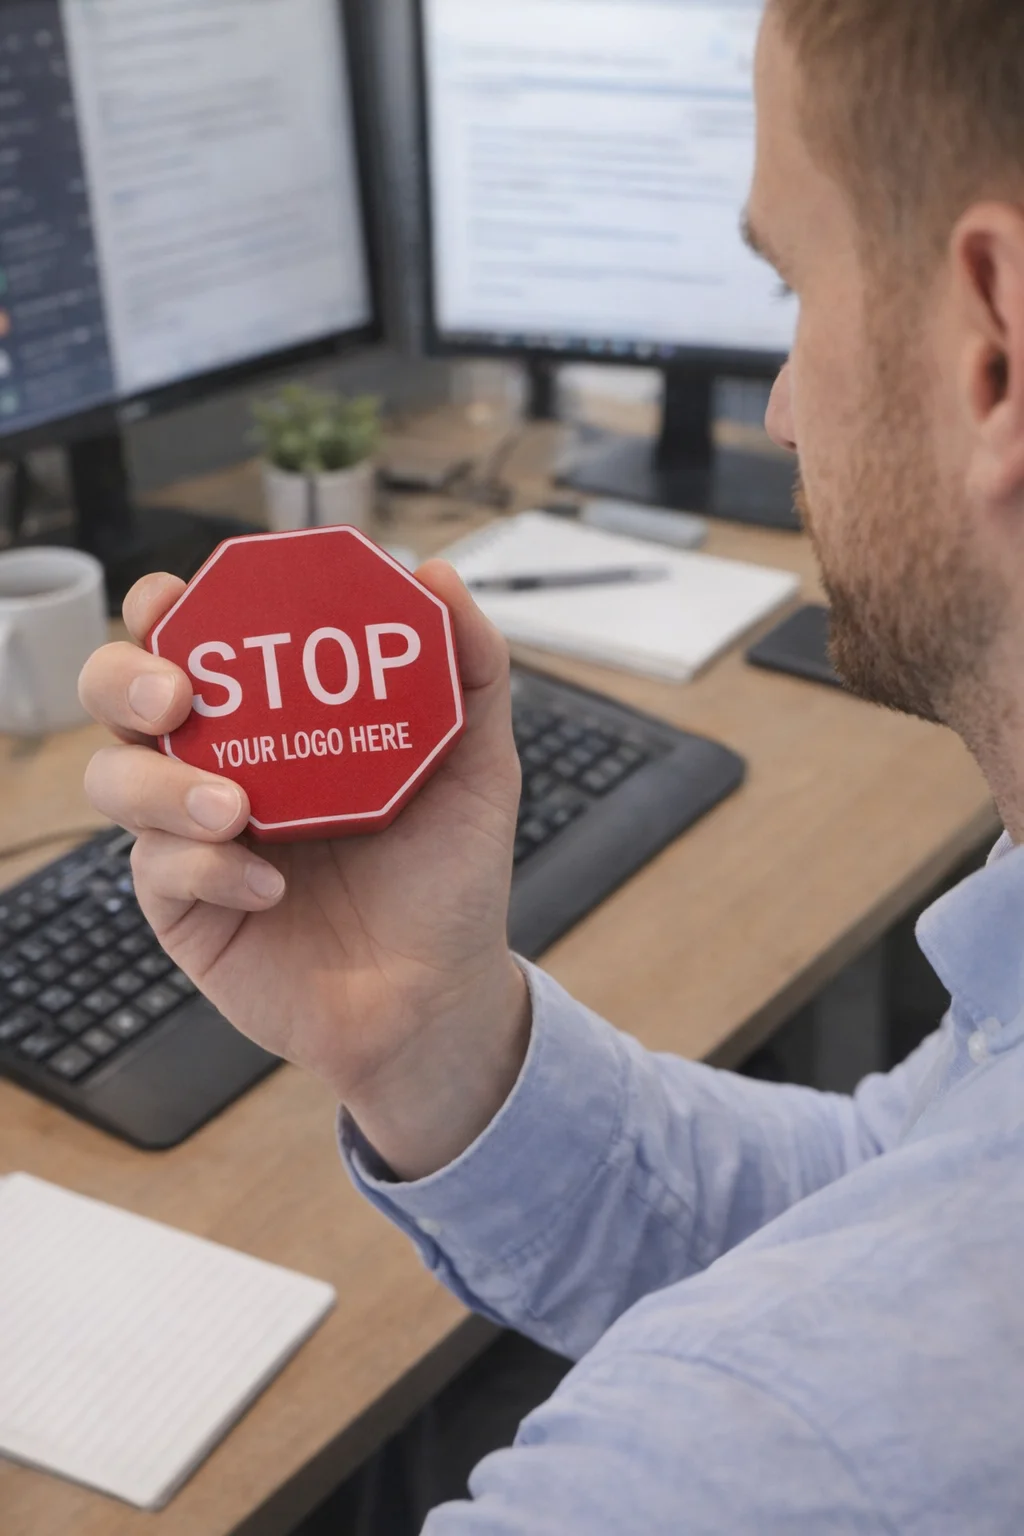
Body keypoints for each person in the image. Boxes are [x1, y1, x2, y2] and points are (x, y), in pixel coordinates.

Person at [78, 0, 1024, 1527]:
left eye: (793, 287)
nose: (782, 404)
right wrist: (432, 1036)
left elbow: (848, 1343)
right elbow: (879, 1182)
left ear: (996, 343)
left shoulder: (750, 1459)